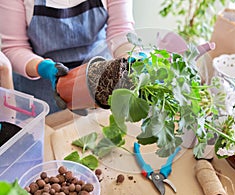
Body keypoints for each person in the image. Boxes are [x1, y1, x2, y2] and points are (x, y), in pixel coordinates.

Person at [0, 0, 135, 114]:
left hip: (99, 81)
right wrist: (43, 67)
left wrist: (130, 57)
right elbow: (14, 47)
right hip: (41, 89)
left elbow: (120, 30)